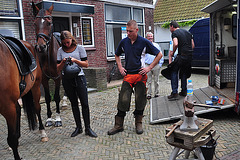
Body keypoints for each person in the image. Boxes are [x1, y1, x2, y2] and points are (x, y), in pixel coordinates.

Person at [107, 20, 162, 135]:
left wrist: (149, 68)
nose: (128, 33)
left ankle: (138, 123)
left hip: (140, 76)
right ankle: (118, 125)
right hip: (128, 76)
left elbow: (159, 54)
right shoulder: (124, 42)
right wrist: (120, 67)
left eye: (130, 31)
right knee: (123, 99)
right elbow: (117, 55)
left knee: (140, 100)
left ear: (136, 30)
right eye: (127, 31)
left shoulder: (144, 42)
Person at [57, 30, 97, 138]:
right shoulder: (60, 50)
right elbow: (58, 68)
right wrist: (62, 62)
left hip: (79, 78)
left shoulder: (80, 48)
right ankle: (78, 128)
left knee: (84, 103)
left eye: (68, 42)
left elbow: (86, 64)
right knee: (74, 104)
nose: (66, 44)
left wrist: (75, 61)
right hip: (67, 79)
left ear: (72, 39)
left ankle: (88, 128)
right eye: (64, 43)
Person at [167, 21, 195, 101]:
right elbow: (193, 45)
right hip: (189, 56)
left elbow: (175, 44)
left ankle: (174, 92)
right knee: (184, 73)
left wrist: (172, 52)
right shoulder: (188, 33)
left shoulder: (175, 33)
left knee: (174, 71)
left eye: (170, 27)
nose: (170, 29)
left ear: (172, 26)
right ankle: (184, 91)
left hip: (182, 55)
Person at [145, 32, 164, 99]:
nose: (150, 37)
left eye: (151, 36)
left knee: (156, 80)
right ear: (146, 37)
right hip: (147, 65)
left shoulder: (156, 45)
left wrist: (160, 64)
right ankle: (149, 94)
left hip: (156, 65)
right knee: (148, 81)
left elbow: (161, 54)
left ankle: (156, 93)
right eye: (149, 36)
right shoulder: (144, 45)